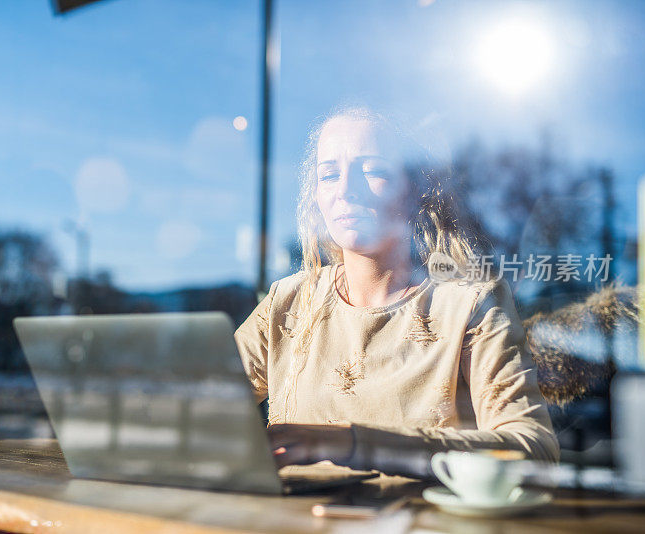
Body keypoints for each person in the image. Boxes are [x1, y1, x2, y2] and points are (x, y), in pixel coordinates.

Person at [234, 107, 559, 476]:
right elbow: (196, 405)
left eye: (372, 170)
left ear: (416, 190)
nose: (345, 190)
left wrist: (352, 444)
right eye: (328, 175)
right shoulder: (288, 303)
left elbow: (533, 448)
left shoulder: (468, 304)